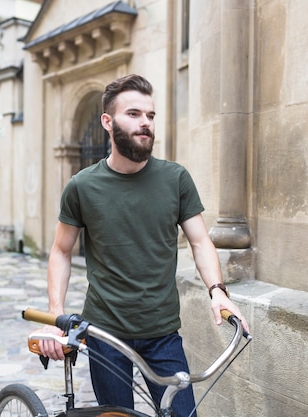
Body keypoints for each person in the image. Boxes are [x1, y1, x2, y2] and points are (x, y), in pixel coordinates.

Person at [39, 74, 249, 416]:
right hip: (105, 335)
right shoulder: (82, 186)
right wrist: (54, 316)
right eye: (134, 114)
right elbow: (61, 251)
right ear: (108, 122)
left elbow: (200, 241)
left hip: (162, 333)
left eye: (150, 116)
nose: (145, 123)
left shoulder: (175, 178)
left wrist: (218, 291)